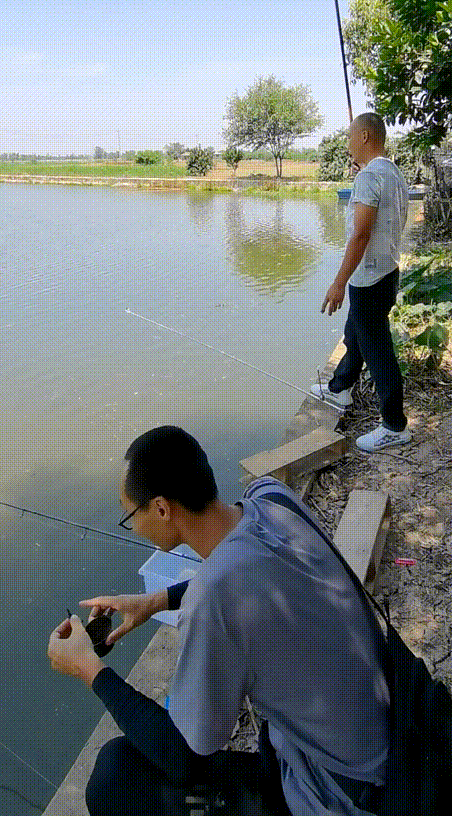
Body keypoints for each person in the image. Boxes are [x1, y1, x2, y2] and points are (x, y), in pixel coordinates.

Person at [48, 425, 390, 816]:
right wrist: (155, 601)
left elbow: (187, 755)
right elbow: (246, 570)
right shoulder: (270, 497)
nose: (135, 527)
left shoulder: (213, 601)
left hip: (344, 791)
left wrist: (89, 669)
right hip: (384, 733)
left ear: (161, 509)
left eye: (130, 516)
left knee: (113, 779)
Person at [311, 113, 410, 453]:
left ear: (365, 136)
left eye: (351, 136)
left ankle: (394, 426)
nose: (348, 144)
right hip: (388, 271)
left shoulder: (369, 177)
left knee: (378, 351)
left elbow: (361, 234)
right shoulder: (392, 172)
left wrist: (339, 283)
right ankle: (340, 388)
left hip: (368, 278)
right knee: (356, 334)